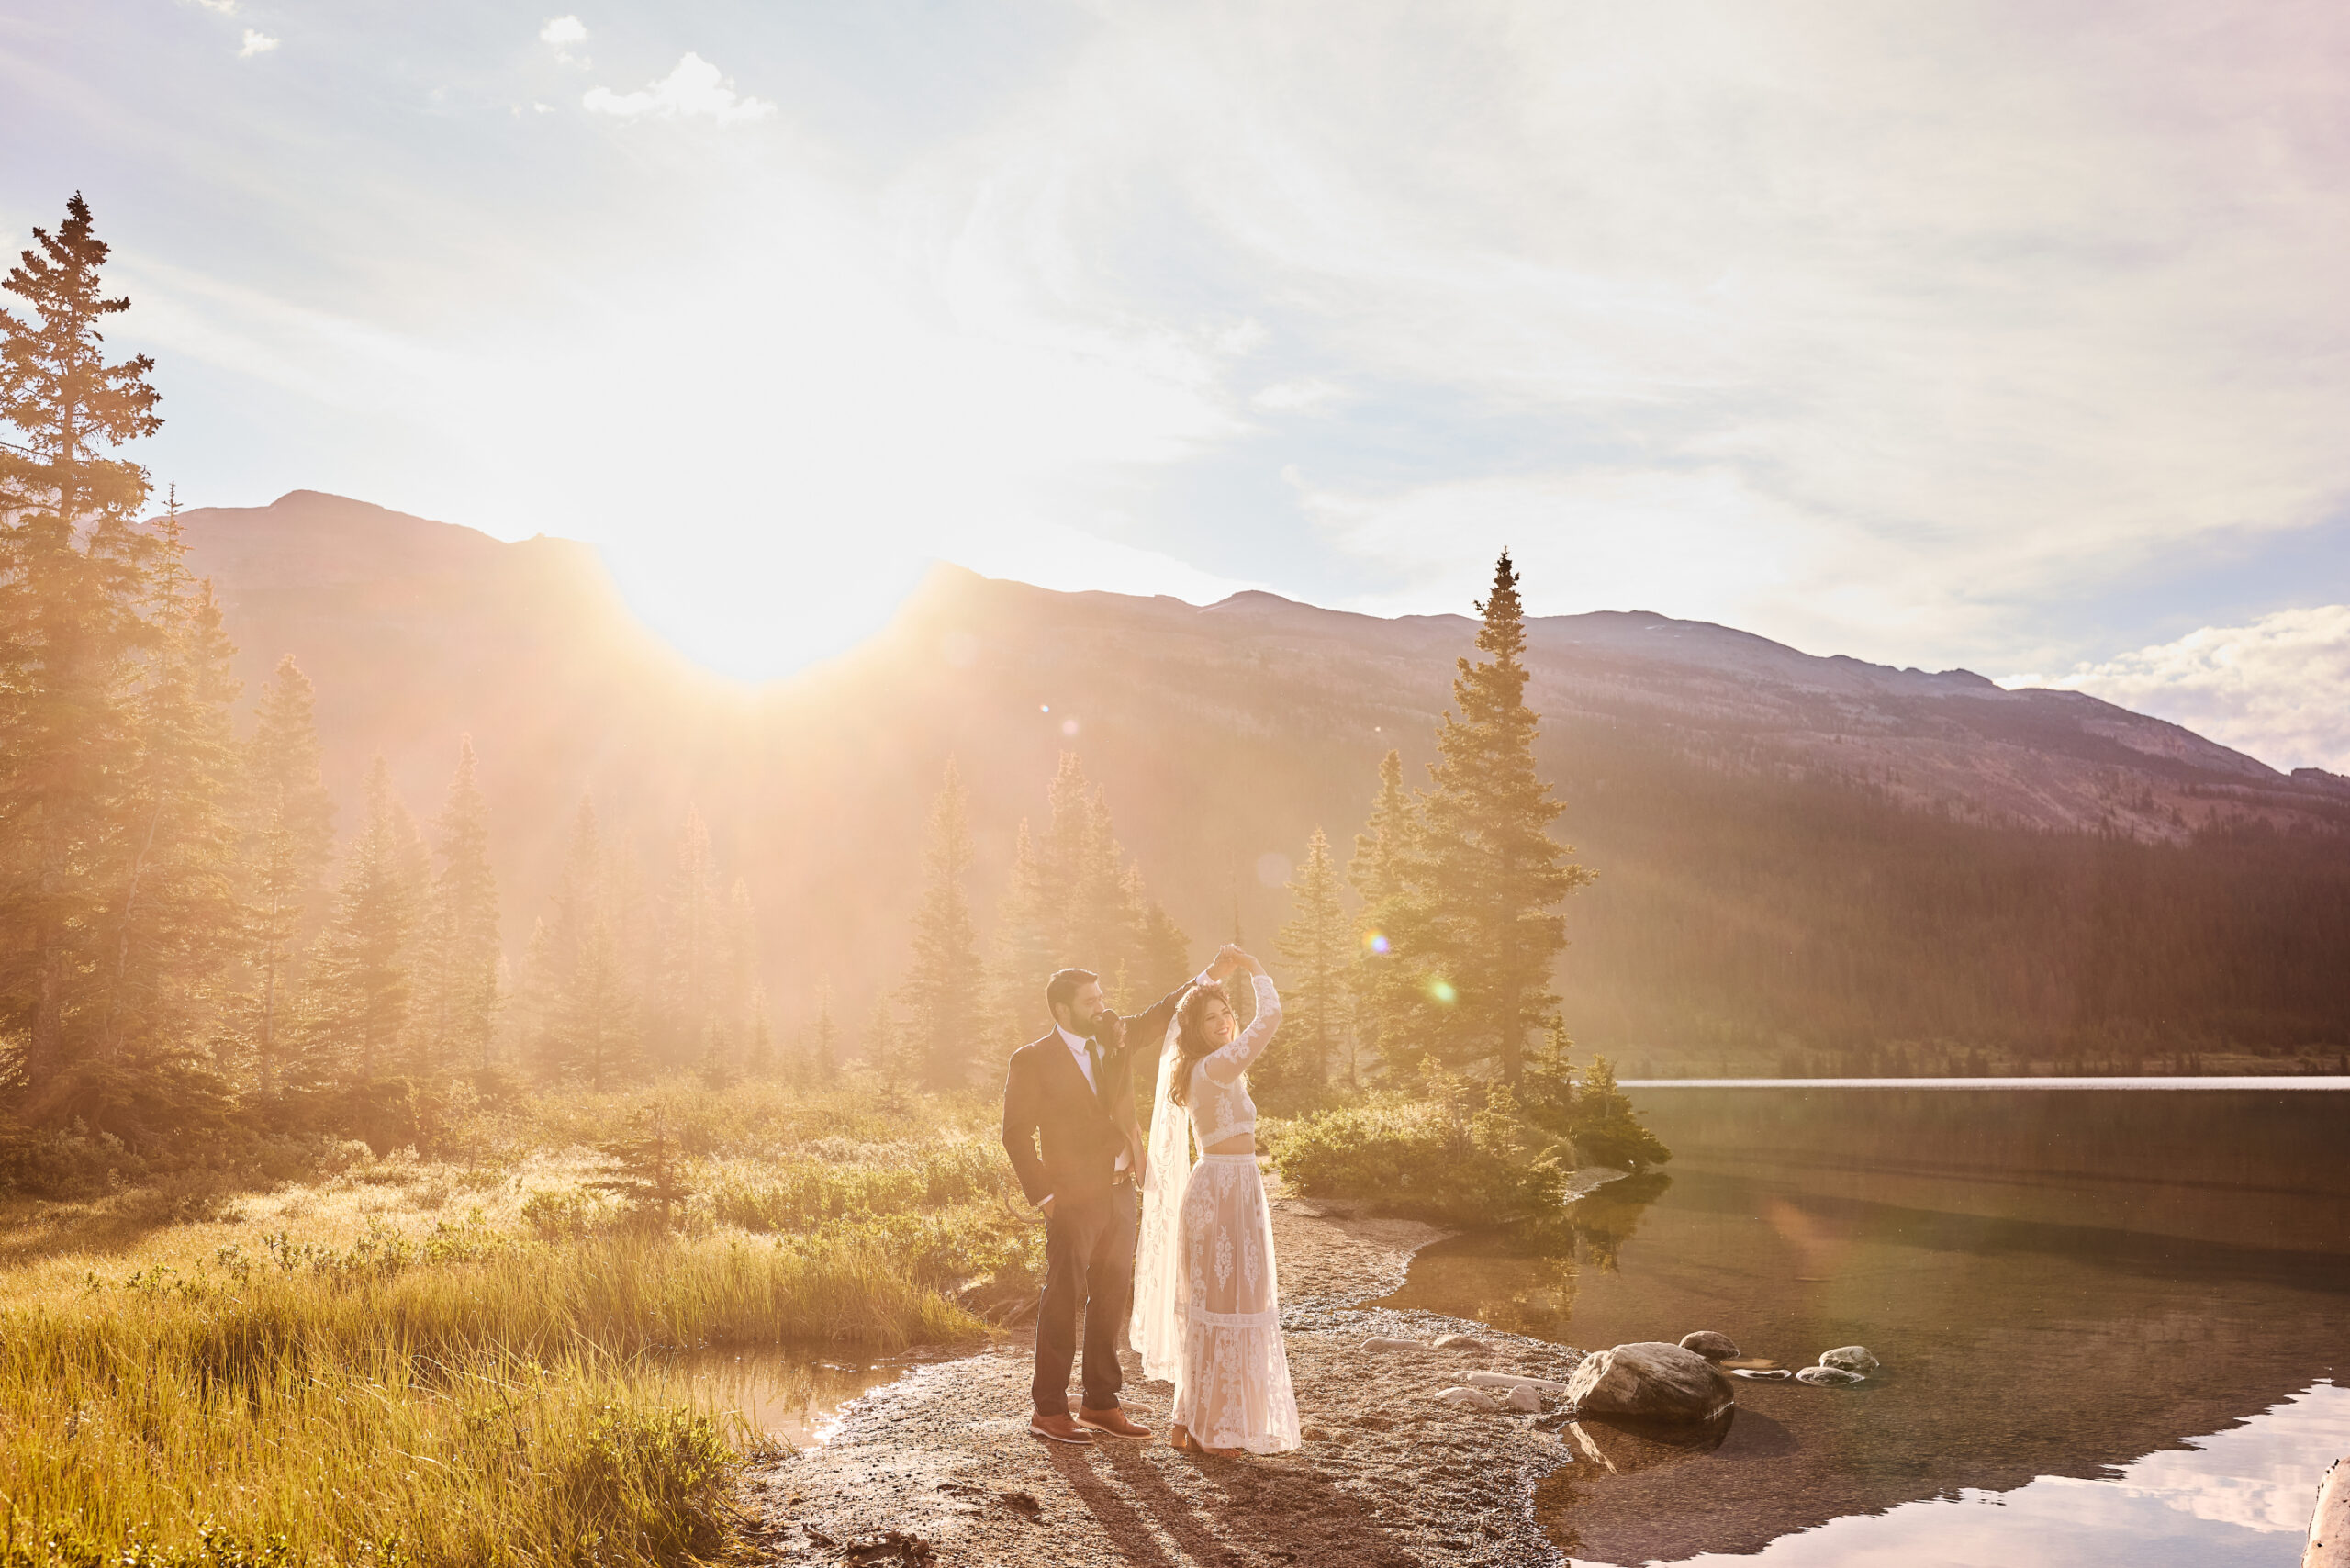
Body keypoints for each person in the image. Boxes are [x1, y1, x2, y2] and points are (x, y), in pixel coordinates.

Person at [1002, 945, 1248, 1445]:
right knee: (1063, 1297)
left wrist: (1211, 974)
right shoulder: (1031, 1059)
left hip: (1119, 1192)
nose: (1102, 1006)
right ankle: (1049, 1410)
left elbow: (1164, 1012)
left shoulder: (1114, 1036)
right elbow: (1015, 1134)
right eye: (1091, 1001)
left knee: (1111, 1296)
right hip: (1071, 1199)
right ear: (1062, 1010)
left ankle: (1099, 1402)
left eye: (1102, 996)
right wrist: (1045, 1198)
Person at [1132, 948, 1301, 1456]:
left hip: (1229, 1187)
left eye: (1226, 1012)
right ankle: (1215, 1429)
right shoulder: (1216, 1066)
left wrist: (1211, 977)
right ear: (1196, 1029)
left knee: (1216, 1306)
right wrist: (1255, 969)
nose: (1225, 1022)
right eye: (1211, 1018)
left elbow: (1204, 1018)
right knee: (1226, 1305)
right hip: (1224, 1191)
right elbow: (1270, 1019)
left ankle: (1188, 1422)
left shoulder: (1201, 1066)